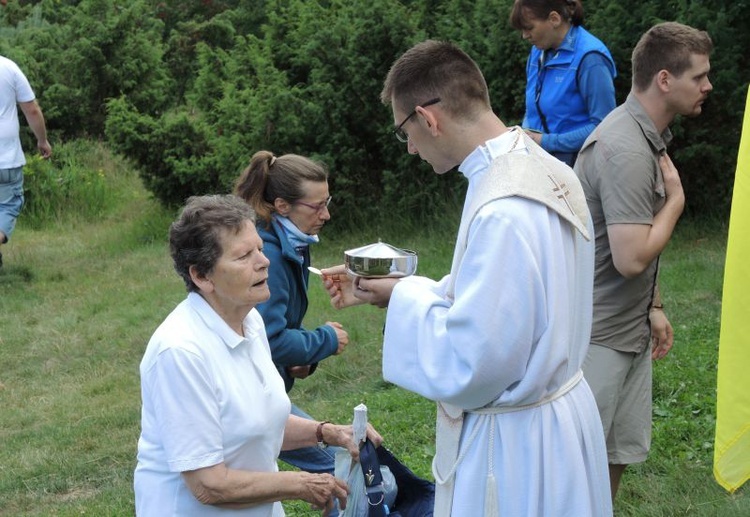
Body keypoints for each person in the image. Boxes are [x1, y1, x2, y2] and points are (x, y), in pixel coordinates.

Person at [321, 40, 612, 516]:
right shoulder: (542, 166)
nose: (411, 147)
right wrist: (396, 290)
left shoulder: (503, 208)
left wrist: (405, 299)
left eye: (404, 132)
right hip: (560, 418)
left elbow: (476, 362)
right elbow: (507, 302)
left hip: (520, 447)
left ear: (427, 118)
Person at [134, 194, 380, 516]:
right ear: (201, 276)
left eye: (260, 249)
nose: (263, 262)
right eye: (243, 256)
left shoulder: (250, 320)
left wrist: (327, 432)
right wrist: (301, 484)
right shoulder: (180, 353)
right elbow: (208, 484)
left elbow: (259, 423)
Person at [574, 22, 713, 501]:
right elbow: (631, 257)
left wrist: (653, 306)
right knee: (580, 462)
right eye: (699, 77)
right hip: (597, 336)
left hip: (627, 328)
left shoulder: (647, 136)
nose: (708, 87)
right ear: (665, 80)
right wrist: (676, 201)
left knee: (615, 455)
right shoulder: (626, 148)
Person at [234, 151, 348, 485]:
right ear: (283, 205)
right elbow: (270, 339)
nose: (326, 214)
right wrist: (325, 340)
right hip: (248, 403)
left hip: (261, 392)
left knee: (345, 472)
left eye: (328, 201)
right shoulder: (269, 253)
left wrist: (301, 362)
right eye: (317, 206)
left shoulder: (290, 240)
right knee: (350, 471)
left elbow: (263, 332)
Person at [510, 0, 616, 167]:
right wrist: (524, 135)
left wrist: (546, 141)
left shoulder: (591, 59)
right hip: (541, 163)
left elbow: (604, 128)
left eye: (529, 28)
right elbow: (533, 109)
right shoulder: (538, 51)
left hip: (579, 168)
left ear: (554, 19)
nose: (524, 35)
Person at [0, 55, 52, 268]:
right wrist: (42, 140)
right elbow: (31, 109)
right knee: (9, 205)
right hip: (6, 158)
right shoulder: (8, 67)